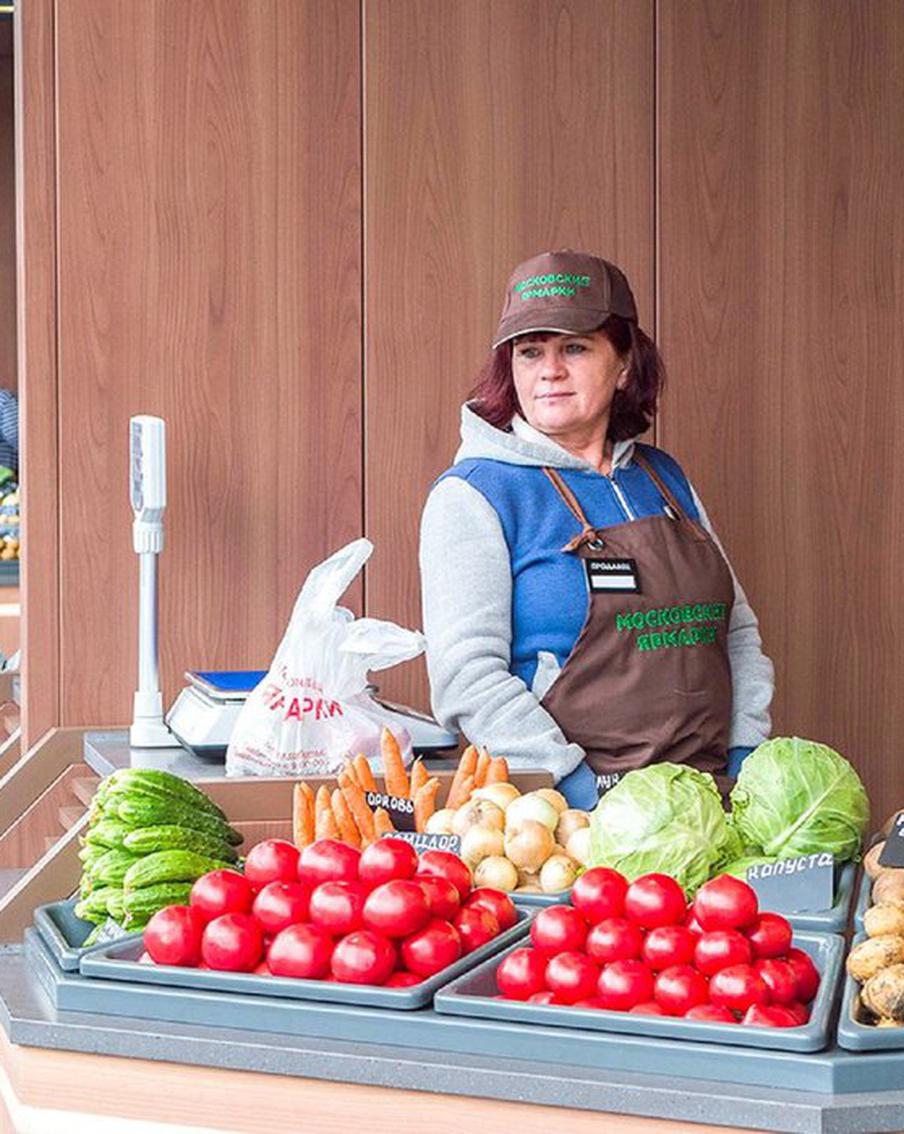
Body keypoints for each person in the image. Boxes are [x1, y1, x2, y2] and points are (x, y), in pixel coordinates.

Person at [419, 250, 774, 809]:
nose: (549, 370)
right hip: (574, 818)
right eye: (530, 351)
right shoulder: (476, 494)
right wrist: (580, 794)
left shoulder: (663, 478)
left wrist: (746, 756)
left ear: (625, 363)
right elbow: (468, 678)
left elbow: (737, 631)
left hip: (711, 800)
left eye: (575, 348)